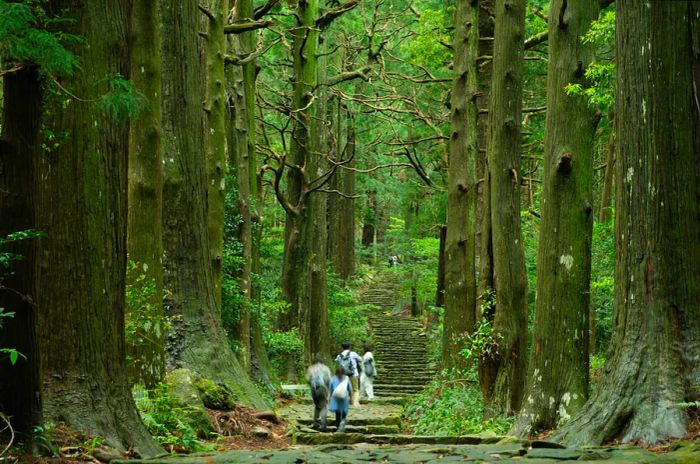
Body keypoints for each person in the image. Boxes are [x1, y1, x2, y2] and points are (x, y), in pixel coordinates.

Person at [305, 356, 331, 431]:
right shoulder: (326, 368)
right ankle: (323, 424)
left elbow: (308, 379)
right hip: (322, 388)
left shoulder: (311, 368)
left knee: (317, 405)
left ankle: (316, 423)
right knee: (323, 406)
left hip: (313, 389)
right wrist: (328, 391)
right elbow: (328, 380)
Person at [335, 342, 362, 407]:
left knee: (344, 388)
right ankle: (355, 403)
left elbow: (337, 361)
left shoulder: (339, 356)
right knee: (355, 389)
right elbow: (360, 360)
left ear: (342, 348)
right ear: (349, 347)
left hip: (343, 375)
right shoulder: (353, 354)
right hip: (353, 374)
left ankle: (345, 401)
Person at [329, 367, 351, 432]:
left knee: (337, 412)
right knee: (344, 411)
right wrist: (351, 397)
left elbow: (331, 388)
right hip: (344, 398)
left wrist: (329, 397)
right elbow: (350, 389)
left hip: (336, 398)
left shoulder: (333, 378)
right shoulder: (346, 378)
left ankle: (338, 426)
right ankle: (342, 423)